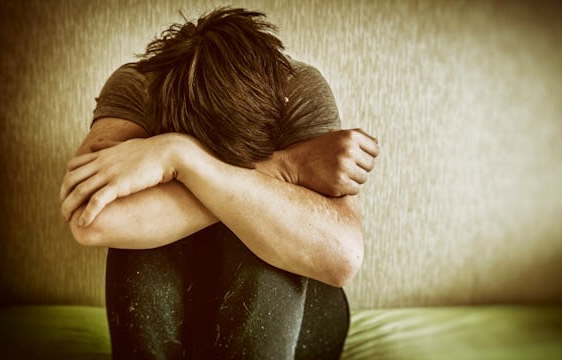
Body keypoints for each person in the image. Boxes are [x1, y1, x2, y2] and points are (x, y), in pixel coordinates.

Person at [59, 7, 379, 360]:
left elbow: (342, 255)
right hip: (179, 313)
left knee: (265, 228)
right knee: (137, 240)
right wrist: (284, 166)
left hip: (297, 325)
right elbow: (91, 220)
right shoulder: (141, 84)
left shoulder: (298, 86)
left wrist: (181, 161)